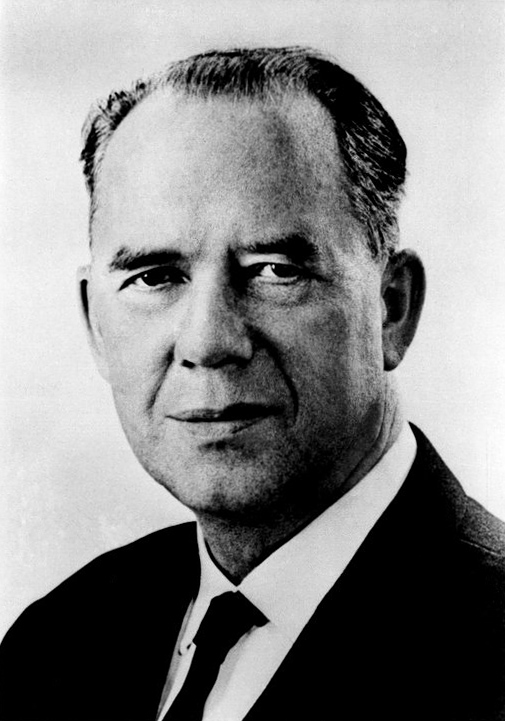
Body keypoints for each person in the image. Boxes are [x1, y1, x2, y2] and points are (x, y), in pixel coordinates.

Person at [0, 46, 504, 721]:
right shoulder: (54, 644)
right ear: (95, 323)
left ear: (391, 307)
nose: (208, 341)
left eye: (274, 270)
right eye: (155, 276)